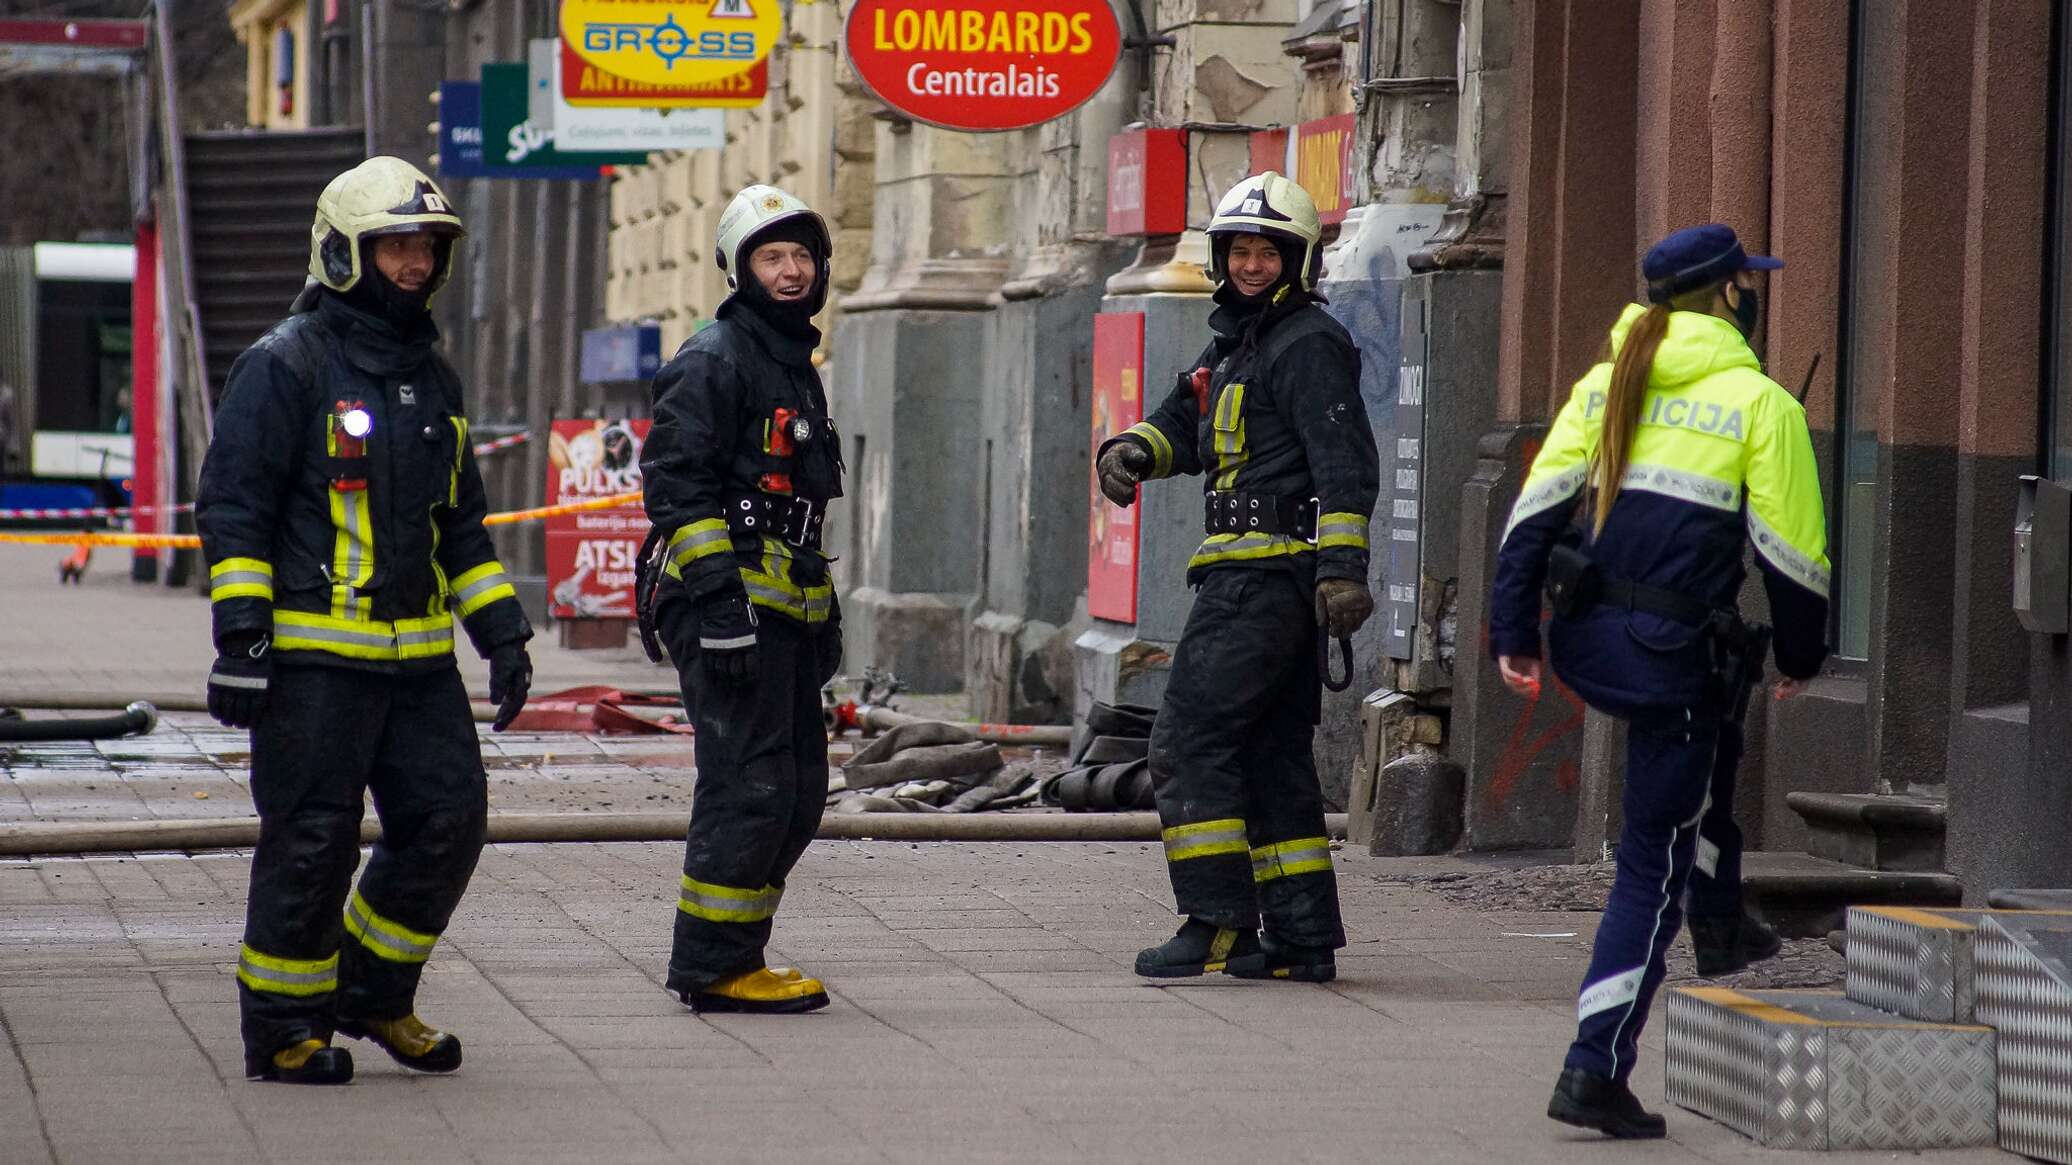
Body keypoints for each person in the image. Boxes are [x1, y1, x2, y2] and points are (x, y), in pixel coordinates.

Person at [197, 156, 533, 1085]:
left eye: (426, 245)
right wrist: (243, 642)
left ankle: (373, 991)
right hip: (312, 666)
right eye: (395, 245)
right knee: (313, 841)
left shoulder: (435, 375)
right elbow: (235, 508)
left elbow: (460, 525)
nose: (416, 262)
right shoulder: (283, 366)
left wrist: (502, 636)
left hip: (419, 666)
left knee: (450, 820)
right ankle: (284, 1027)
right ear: (343, 252)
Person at [1487, 223, 1829, 1138]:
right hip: (1677, 657)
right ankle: (1594, 1064)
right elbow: (1794, 560)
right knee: (1650, 858)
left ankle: (1721, 918)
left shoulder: (1608, 382)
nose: (1750, 296)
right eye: (1744, 285)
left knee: (1707, 756)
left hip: (1599, 640)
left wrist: (1513, 632)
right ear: (1727, 295)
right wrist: (1801, 656)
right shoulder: (1761, 404)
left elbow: (1533, 517)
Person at [1095, 172, 1379, 984]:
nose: (1252, 264)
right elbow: (1185, 420)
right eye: (1240, 250)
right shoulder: (1237, 342)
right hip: (1252, 579)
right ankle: (1299, 939)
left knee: (1185, 741)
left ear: (1297, 260)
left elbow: (1345, 466)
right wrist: (1132, 451)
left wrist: (1342, 571)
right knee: (1267, 753)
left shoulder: (1306, 343)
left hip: (1265, 583)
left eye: (1268, 251)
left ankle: (1216, 923)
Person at [637, 184, 844, 1014]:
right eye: (772, 256)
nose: (791, 271)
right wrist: (722, 610)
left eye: (801, 256)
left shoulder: (789, 361)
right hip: (728, 609)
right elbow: (676, 490)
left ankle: (737, 950)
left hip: (781, 608)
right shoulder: (714, 357)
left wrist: (819, 615)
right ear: (738, 269)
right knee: (748, 784)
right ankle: (712, 965)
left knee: (794, 788)